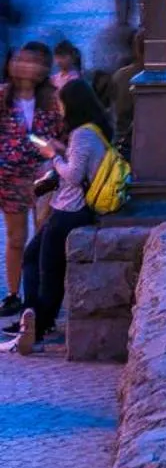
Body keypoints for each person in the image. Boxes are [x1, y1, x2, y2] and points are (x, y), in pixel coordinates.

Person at [13, 77, 113, 351]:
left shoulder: (83, 135)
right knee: (33, 257)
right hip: (68, 209)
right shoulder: (95, 130)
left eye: (60, 103)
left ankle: (37, 325)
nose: (58, 108)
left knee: (49, 271)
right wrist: (60, 151)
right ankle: (31, 319)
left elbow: (73, 174)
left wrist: (52, 156)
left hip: (69, 210)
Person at [0, 45, 58, 320]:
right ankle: (14, 294)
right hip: (10, 178)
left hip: (44, 177)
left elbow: (63, 133)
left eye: (30, 61)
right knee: (15, 238)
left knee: (42, 238)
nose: (23, 65)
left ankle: (40, 295)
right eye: (19, 60)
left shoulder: (52, 100)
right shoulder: (2, 98)